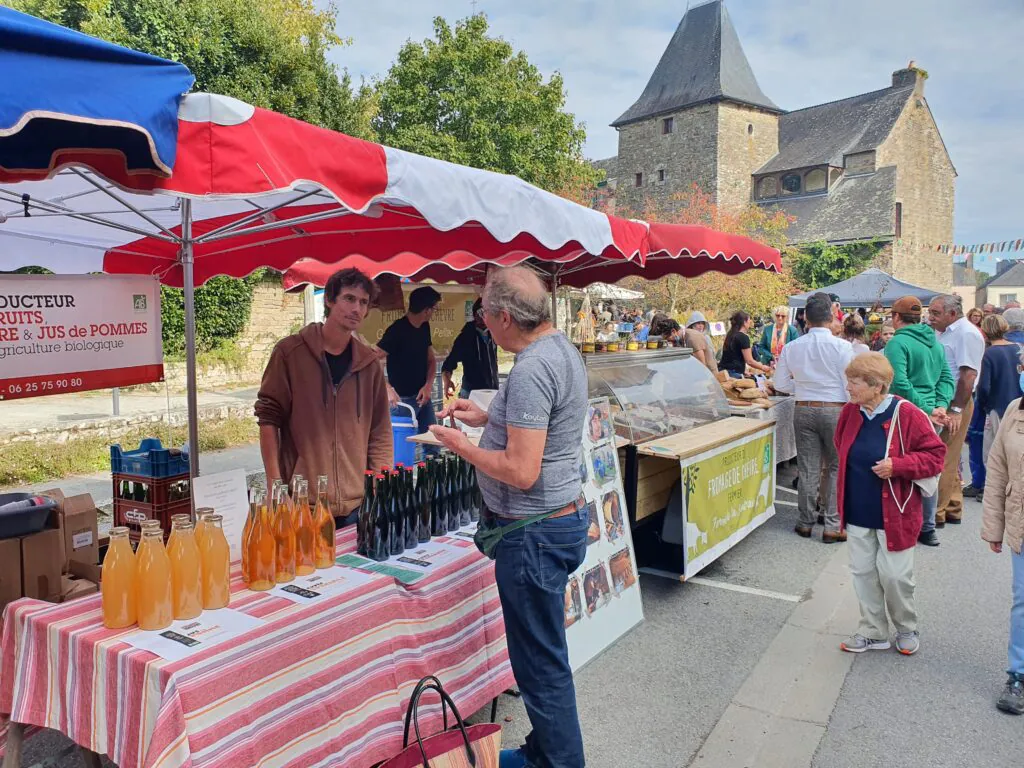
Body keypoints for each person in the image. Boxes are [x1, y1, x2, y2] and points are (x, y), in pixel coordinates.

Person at [430, 266, 589, 768]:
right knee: (545, 653)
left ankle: (560, 763)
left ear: (502, 317)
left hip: (533, 533)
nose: (481, 321)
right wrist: (491, 417)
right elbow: (539, 420)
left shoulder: (531, 368)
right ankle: (545, 751)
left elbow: (520, 471)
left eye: (482, 312)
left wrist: (463, 446)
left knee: (540, 665)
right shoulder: (559, 350)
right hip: (554, 523)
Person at [255, 268, 392, 525]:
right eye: (349, 298)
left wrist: (379, 485)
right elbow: (268, 419)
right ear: (329, 300)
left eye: (363, 302)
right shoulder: (289, 353)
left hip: (356, 506)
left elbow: (380, 431)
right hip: (303, 505)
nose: (357, 309)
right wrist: (275, 485)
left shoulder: (369, 364)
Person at [835, 353, 945, 655]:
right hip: (858, 507)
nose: (848, 388)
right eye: (849, 381)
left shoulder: (907, 414)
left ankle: (907, 627)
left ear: (877, 386)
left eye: (854, 383)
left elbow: (936, 455)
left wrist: (898, 465)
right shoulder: (850, 412)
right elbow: (840, 446)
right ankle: (873, 631)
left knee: (896, 576)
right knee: (863, 573)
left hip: (895, 512)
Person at [774, 293, 856, 542]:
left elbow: (780, 383)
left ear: (805, 318)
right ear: (831, 317)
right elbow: (850, 384)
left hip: (804, 406)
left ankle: (805, 521)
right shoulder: (843, 347)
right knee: (835, 467)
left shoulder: (792, 346)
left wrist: (802, 388)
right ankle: (832, 524)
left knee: (808, 467)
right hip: (835, 408)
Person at [883, 295, 955, 547]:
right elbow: (947, 379)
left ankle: (907, 523)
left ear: (895, 317)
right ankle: (928, 527)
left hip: (905, 412)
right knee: (928, 468)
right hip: (931, 414)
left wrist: (927, 409)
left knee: (899, 467)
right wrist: (940, 406)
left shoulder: (897, 343)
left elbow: (899, 383)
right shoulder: (935, 343)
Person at [981, 375, 1024, 715]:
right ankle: (1019, 676)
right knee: (1023, 601)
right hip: (1021, 522)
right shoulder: (1015, 410)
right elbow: (997, 469)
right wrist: (994, 526)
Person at [929, 294, 985, 526]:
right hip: (947, 399)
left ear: (952, 314)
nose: (930, 317)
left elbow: (968, 376)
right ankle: (952, 506)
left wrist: (956, 409)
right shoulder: (948, 332)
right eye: (930, 312)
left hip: (956, 400)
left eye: (936, 313)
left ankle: (937, 513)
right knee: (946, 453)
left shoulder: (966, 333)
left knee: (943, 456)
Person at [378, 285, 443, 455]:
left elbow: (431, 360)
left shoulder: (424, 327)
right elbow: (374, 360)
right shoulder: (397, 330)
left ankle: (431, 481)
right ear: (426, 310)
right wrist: (387, 387)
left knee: (432, 446)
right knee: (401, 451)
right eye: (434, 309)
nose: (434, 313)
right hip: (401, 401)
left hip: (423, 397)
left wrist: (428, 386)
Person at [965, 315, 1023, 499]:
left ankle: (993, 489)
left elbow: (984, 386)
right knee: (1013, 448)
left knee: (992, 450)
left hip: (996, 406)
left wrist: (982, 405)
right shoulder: (1016, 349)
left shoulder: (989, 353)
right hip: (1017, 404)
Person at [441, 297, 499, 399]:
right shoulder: (466, 337)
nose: (486, 316)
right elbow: (449, 363)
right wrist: (447, 380)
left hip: (492, 390)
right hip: (471, 392)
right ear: (475, 315)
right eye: (482, 312)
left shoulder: (493, 332)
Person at [719, 311, 771, 379]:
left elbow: (732, 355)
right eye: (749, 321)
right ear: (744, 322)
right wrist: (763, 367)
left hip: (723, 371)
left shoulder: (730, 334)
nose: (750, 323)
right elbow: (749, 361)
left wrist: (743, 370)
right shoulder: (743, 337)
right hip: (733, 373)